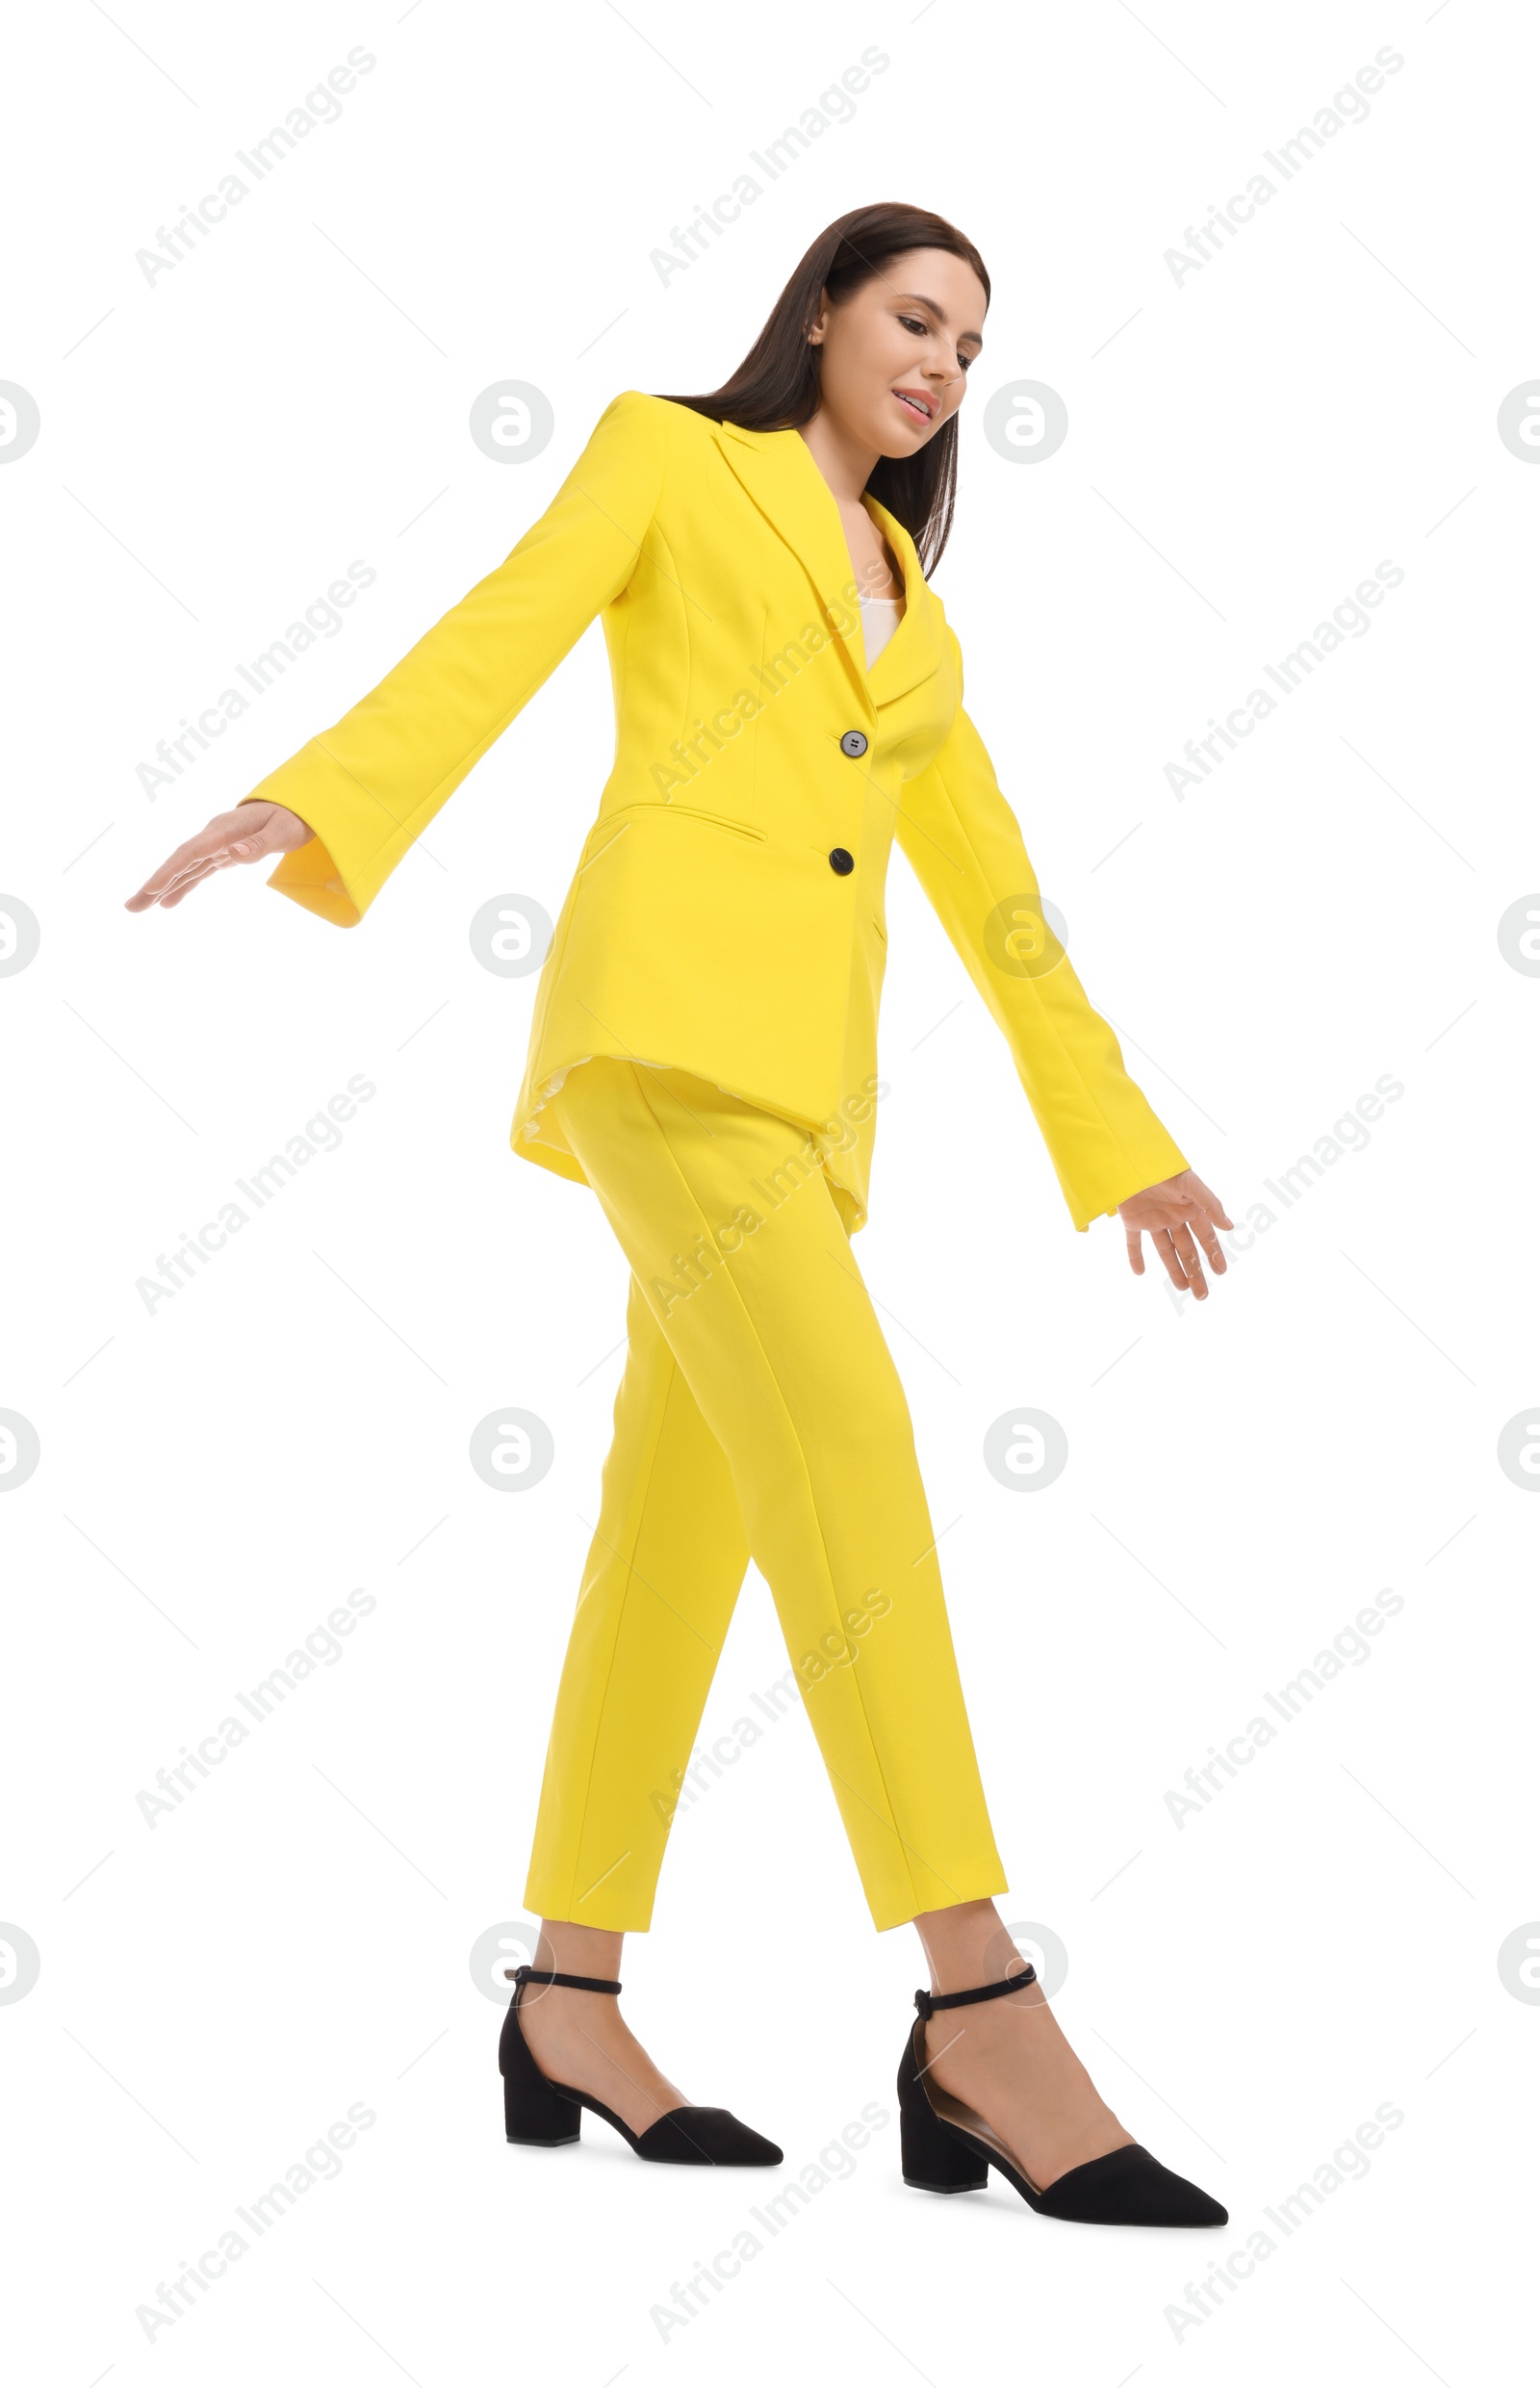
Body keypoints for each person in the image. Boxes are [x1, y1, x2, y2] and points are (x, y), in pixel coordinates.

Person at [127, 202, 1232, 2227]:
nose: (940, 367)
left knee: (677, 1521)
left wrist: (1120, 1136)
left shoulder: (912, 595)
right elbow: (508, 615)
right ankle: (974, 1995)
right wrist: (327, 798)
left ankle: (567, 1991)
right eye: (914, 319)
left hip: (802, 1113)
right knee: (854, 1443)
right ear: (818, 309)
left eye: (972, 349)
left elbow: (991, 899)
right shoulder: (670, 454)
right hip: (654, 1044)